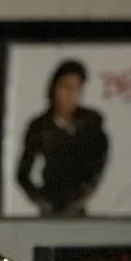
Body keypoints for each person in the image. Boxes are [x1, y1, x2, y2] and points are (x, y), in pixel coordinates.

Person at [15, 58, 109, 217]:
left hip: (77, 204)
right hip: (50, 202)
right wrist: (40, 199)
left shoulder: (90, 123)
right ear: (54, 88)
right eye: (65, 87)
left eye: (76, 88)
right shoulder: (39, 126)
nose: (70, 94)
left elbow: (100, 158)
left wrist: (86, 191)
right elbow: (23, 173)